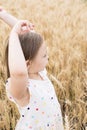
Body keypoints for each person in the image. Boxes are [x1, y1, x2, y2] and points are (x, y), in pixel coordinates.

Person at [0, 7, 64, 130]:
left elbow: (31, 40)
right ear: (27, 64)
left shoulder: (40, 72)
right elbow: (19, 72)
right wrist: (14, 34)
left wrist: (4, 16)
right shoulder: (22, 87)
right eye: (44, 55)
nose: (48, 57)